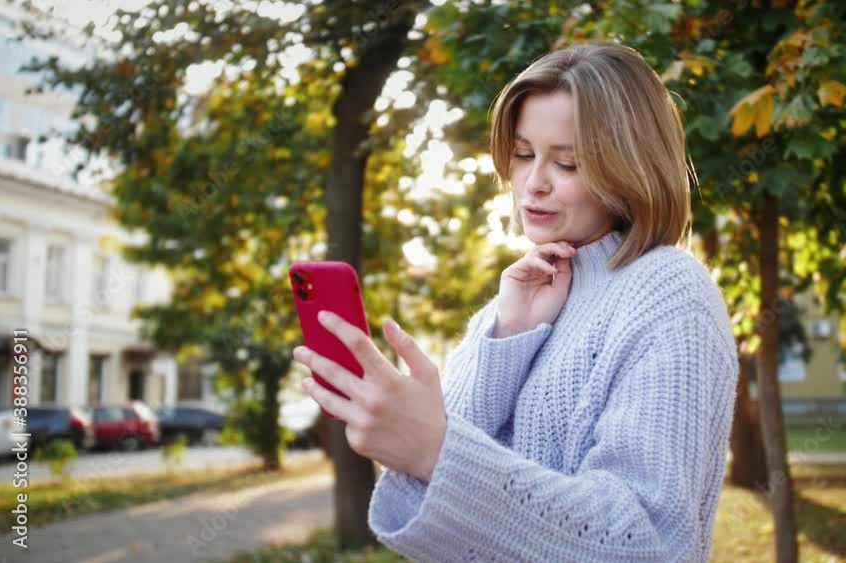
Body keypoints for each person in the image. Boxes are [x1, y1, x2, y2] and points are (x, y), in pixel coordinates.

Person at [295, 41, 738, 561]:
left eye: (567, 163)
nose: (533, 183)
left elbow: (646, 544)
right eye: (524, 154)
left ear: (630, 170)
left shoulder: (668, 293)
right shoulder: (515, 302)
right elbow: (436, 509)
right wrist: (508, 337)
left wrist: (435, 451)